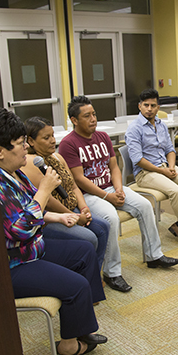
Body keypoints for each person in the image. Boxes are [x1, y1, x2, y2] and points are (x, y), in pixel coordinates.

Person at [0, 108, 107, 355]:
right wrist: (44, 190)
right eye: (21, 144)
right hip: (13, 264)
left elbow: (23, 213)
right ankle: (68, 344)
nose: (26, 149)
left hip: (32, 249)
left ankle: (82, 324)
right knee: (76, 286)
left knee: (85, 250)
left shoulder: (11, 171)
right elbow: (20, 229)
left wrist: (59, 216)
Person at [59, 96, 178, 286]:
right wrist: (107, 196)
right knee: (112, 218)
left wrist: (117, 189)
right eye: (87, 116)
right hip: (88, 195)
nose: (93, 119)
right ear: (74, 120)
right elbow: (79, 179)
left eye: (94, 114)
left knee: (144, 205)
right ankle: (111, 272)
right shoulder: (69, 144)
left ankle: (153, 255)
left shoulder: (103, 137)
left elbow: (114, 167)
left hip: (110, 187)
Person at [125, 88, 178, 245]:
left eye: (153, 105)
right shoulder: (134, 128)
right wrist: (162, 171)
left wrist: (171, 166)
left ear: (158, 107)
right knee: (176, 191)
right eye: (146, 105)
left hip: (165, 166)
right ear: (140, 106)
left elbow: (170, 150)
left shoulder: (161, 125)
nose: (149, 109)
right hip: (145, 173)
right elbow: (137, 159)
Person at [22, 116, 110, 271]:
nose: (52, 141)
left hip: (72, 209)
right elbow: (47, 200)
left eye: (52, 136)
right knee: (89, 238)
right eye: (46, 137)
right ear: (31, 141)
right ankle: (82, 274)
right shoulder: (31, 162)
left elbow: (73, 186)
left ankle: (94, 272)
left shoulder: (56, 157)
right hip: (53, 216)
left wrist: (83, 208)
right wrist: (74, 217)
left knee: (103, 227)